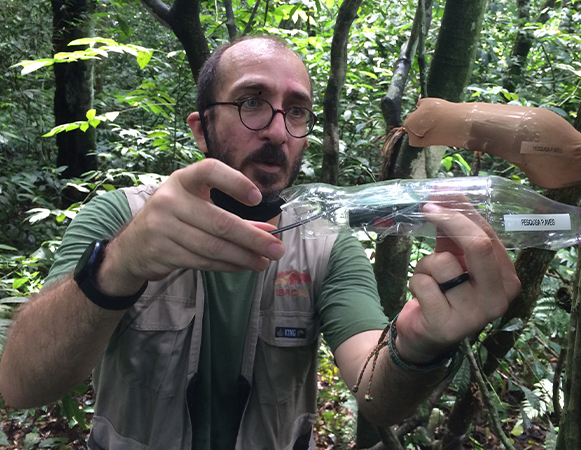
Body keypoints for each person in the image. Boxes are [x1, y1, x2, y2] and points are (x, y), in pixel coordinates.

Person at [0, 36, 520, 449]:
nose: (277, 130)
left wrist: (422, 344)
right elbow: (20, 384)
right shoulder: (122, 218)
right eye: (252, 102)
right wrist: (118, 265)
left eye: (296, 111)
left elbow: (375, 391)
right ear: (202, 129)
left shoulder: (324, 243)